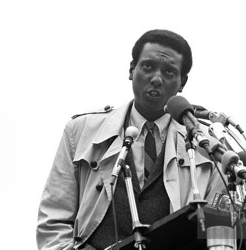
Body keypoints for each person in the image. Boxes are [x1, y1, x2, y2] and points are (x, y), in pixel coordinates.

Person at [36, 29, 227, 250]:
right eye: (147, 67)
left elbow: (220, 234)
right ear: (131, 70)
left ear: (182, 83)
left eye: (168, 71)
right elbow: (53, 220)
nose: (156, 78)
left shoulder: (208, 145)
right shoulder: (80, 131)